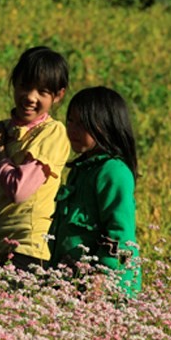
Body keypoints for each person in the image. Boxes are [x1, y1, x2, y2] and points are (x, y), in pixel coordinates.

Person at [0, 46, 71, 272]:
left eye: (42, 92)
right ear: (14, 83)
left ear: (58, 96)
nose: (30, 97)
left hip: (29, 250)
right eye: (24, 86)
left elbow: (19, 190)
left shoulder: (52, 132)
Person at [48, 86, 141, 297]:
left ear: (107, 126)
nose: (72, 129)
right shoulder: (80, 170)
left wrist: (102, 277)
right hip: (72, 283)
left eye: (82, 124)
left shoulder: (113, 172)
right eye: (70, 120)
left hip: (104, 289)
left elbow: (120, 232)